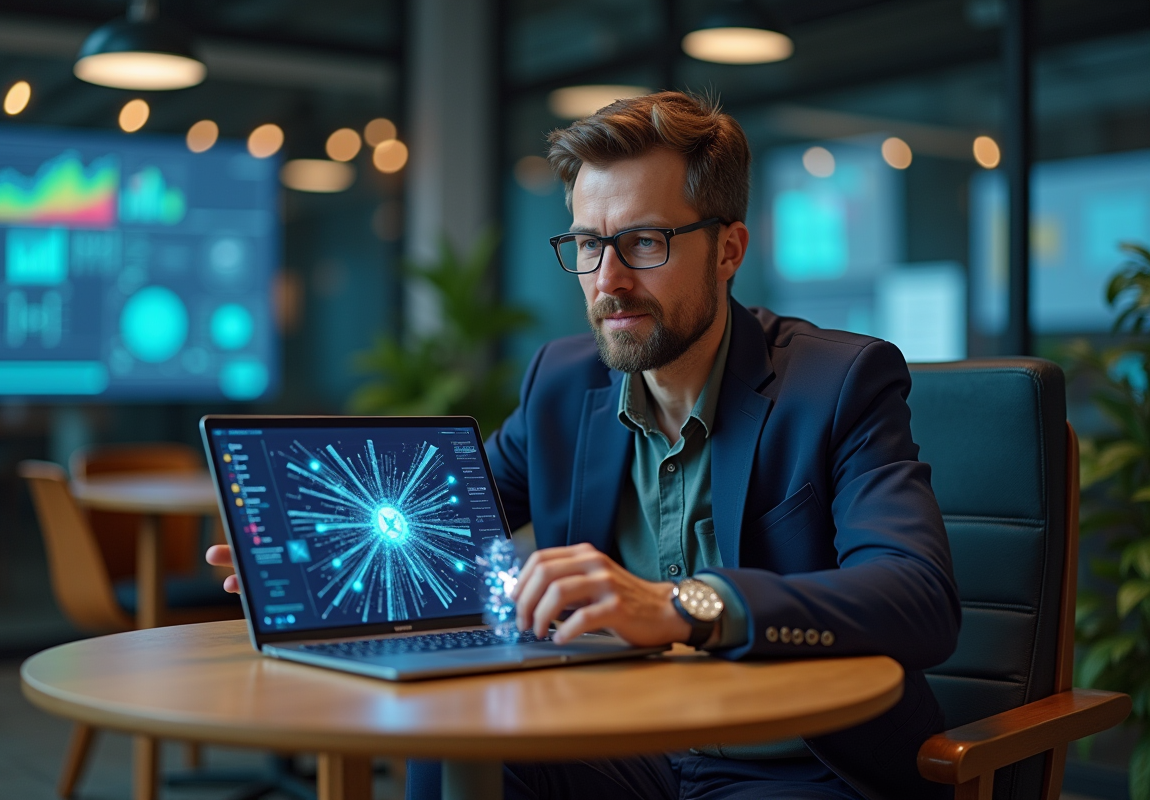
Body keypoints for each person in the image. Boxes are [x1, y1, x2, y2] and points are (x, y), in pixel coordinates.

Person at [208, 90, 960, 800]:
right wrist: (307, 555)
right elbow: (449, 518)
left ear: (729, 250)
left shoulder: (840, 381)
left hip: (800, 765)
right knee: (457, 754)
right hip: (630, 744)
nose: (610, 281)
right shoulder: (563, 383)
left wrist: (682, 606)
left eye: (644, 242)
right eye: (589, 244)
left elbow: (918, 598)